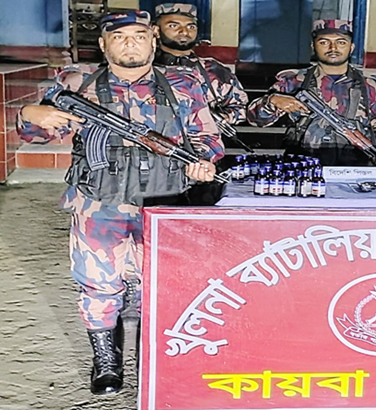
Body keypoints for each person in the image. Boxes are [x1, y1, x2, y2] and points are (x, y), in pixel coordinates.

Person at [17, 10, 223, 395]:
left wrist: (204, 163)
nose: (131, 43)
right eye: (120, 36)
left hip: (163, 204)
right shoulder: (78, 83)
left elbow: (208, 137)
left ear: (153, 41)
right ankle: (106, 363)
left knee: (161, 286)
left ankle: (151, 360)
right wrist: (31, 113)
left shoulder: (181, 84)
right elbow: (36, 133)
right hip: (98, 203)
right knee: (98, 285)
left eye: (139, 36)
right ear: (103, 43)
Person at [246, 20, 376, 166]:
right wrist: (272, 101)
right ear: (313, 46)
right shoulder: (294, 82)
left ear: (351, 47)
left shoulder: (370, 86)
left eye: (341, 42)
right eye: (324, 42)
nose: (333, 48)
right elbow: (255, 120)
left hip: (355, 167)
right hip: (303, 166)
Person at [152, 3, 249, 144]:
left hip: (202, 149)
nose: (184, 32)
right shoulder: (142, 68)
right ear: (155, 30)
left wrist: (221, 118)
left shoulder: (213, 70)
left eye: (191, 27)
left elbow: (239, 108)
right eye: (173, 26)